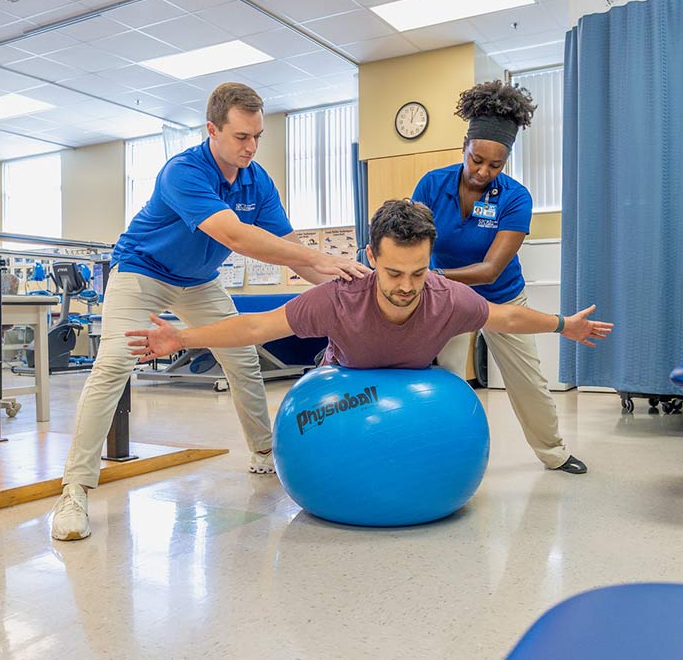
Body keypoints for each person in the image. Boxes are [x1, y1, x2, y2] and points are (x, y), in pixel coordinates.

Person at [51, 83, 369, 542]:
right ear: (212, 130)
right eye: (241, 136)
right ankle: (74, 490)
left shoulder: (257, 181)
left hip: (197, 280)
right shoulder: (183, 171)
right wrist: (324, 260)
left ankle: (264, 452)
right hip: (142, 269)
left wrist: (347, 288)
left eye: (257, 136)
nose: (251, 146)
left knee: (243, 357)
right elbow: (236, 237)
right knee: (114, 364)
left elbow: (293, 251)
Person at [126, 199, 611, 396]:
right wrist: (182, 337)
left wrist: (564, 325)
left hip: (416, 389)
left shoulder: (446, 297)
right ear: (370, 256)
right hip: (345, 383)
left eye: (417, 273)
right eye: (393, 272)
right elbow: (257, 327)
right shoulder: (340, 296)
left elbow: (504, 317)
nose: (405, 286)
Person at [411, 80, 588, 475]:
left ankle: (553, 451)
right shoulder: (431, 185)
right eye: (476, 160)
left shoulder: (515, 197)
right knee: (447, 377)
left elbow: (491, 269)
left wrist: (432, 275)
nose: (482, 171)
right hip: (449, 297)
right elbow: (412, 240)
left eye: (495, 165)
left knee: (528, 381)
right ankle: (444, 455)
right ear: (464, 146)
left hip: (502, 296)